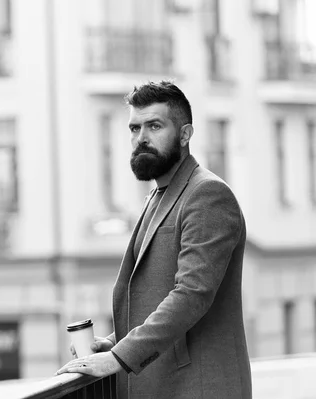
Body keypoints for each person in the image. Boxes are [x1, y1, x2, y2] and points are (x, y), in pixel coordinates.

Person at [56, 81, 252, 398]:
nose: (141, 138)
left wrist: (118, 358)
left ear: (185, 134)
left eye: (154, 126)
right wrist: (116, 342)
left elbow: (191, 295)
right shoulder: (158, 196)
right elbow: (154, 297)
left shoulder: (207, 195)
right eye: (134, 128)